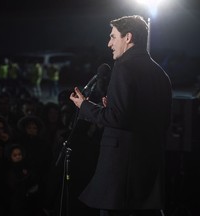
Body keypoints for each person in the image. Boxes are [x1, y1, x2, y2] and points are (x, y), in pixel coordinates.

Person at [69, 15, 172, 216]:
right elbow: (157, 119)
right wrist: (112, 108)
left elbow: (118, 118)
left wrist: (85, 106)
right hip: (148, 172)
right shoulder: (161, 74)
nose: (109, 44)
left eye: (113, 37)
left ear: (128, 37)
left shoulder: (124, 67)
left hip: (121, 176)